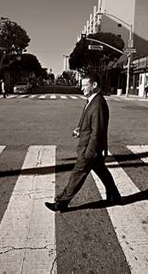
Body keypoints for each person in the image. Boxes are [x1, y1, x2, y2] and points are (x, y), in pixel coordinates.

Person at [45, 73, 121, 212]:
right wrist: (80, 129)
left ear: (94, 85)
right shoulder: (92, 100)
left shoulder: (98, 103)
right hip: (92, 148)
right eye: (82, 85)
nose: (82, 88)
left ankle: (62, 203)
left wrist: (89, 153)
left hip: (90, 149)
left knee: (77, 174)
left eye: (85, 85)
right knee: (102, 172)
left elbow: (97, 132)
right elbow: (89, 122)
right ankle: (115, 196)